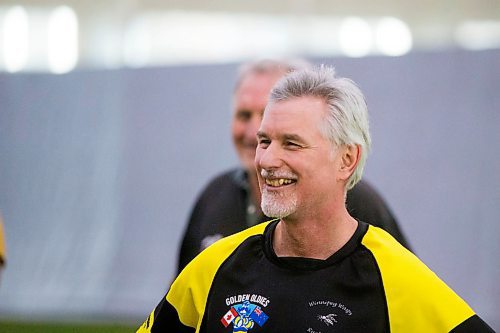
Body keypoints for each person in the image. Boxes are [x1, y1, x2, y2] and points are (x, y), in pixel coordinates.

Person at [138, 66, 493, 332]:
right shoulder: (213, 268)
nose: (266, 160)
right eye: (265, 141)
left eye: (291, 143)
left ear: (346, 160)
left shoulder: (398, 279)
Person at [177, 59, 410, 273]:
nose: (253, 133)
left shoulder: (359, 204)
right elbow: (183, 301)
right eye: (244, 115)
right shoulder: (214, 195)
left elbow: (404, 294)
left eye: (291, 141)